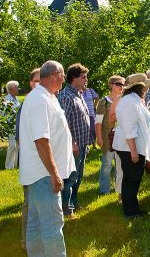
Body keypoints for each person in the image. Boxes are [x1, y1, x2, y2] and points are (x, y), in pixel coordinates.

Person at [19, 60, 75, 256]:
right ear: (53, 75)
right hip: (43, 175)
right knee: (52, 225)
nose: (64, 79)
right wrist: (54, 173)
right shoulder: (39, 100)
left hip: (39, 174)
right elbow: (41, 140)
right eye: (62, 75)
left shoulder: (48, 96)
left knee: (36, 223)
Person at [112, 78, 150, 218]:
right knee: (131, 179)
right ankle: (130, 212)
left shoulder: (133, 99)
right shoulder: (130, 101)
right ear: (138, 87)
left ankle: (133, 209)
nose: (147, 89)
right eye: (145, 87)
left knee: (133, 179)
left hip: (133, 146)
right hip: (129, 147)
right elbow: (129, 128)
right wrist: (133, 151)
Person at [58, 63, 92, 218]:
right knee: (70, 178)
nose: (86, 79)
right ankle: (66, 209)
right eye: (83, 76)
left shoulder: (79, 94)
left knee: (78, 177)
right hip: (73, 146)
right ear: (73, 78)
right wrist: (72, 143)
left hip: (82, 144)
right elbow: (63, 123)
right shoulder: (66, 96)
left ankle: (74, 203)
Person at [15, 68, 41, 250]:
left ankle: (38, 235)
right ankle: (25, 239)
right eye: (36, 80)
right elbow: (19, 137)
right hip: (32, 163)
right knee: (29, 202)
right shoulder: (27, 104)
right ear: (31, 83)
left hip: (45, 163)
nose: (39, 83)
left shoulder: (47, 99)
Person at [95, 76, 125, 197]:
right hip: (107, 139)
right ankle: (104, 189)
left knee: (119, 166)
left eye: (123, 84)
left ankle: (118, 188)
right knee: (107, 164)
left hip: (121, 138)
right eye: (118, 84)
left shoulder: (124, 100)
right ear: (111, 85)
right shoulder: (104, 101)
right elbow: (98, 122)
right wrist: (99, 138)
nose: (121, 87)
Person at [4, 80, 20, 169]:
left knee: (17, 145)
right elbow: (3, 113)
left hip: (16, 124)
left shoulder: (16, 99)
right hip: (10, 124)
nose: (18, 89)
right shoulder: (7, 99)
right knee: (12, 145)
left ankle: (14, 165)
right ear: (11, 89)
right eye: (16, 87)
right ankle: (8, 166)